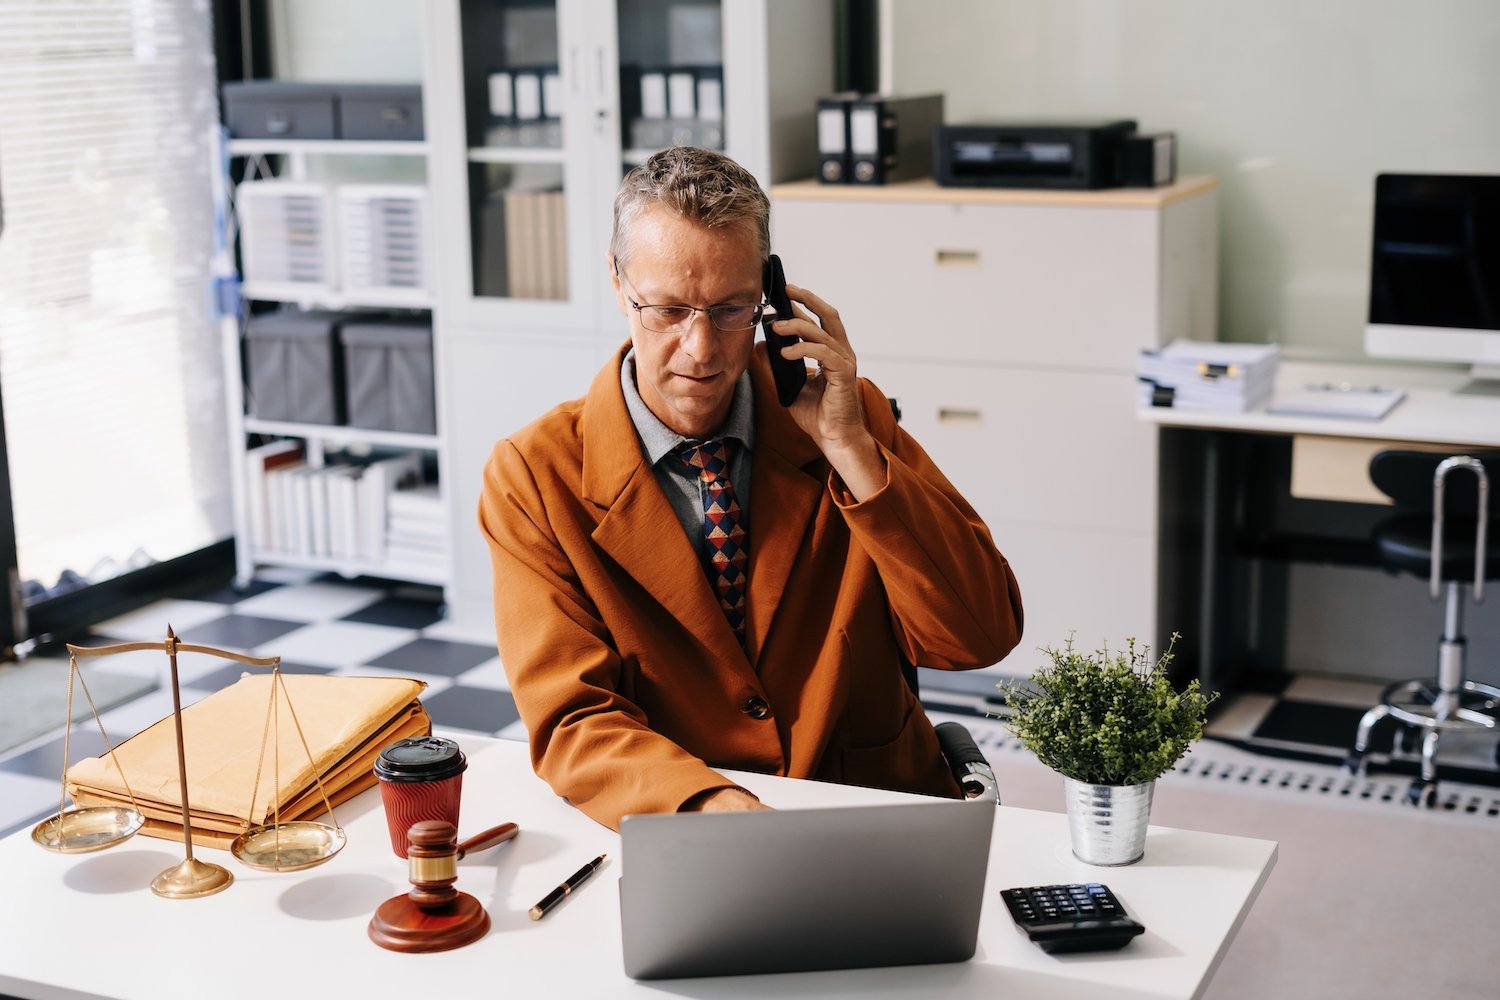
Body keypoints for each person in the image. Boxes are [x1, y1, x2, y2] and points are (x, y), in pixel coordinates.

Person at [479, 146, 1023, 830]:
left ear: (771, 295)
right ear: (618, 283)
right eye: (668, 310)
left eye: (732, 309)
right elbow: (574, 720)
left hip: (873, 816)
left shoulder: (851, 419)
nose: (702, 348)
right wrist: (719, 811)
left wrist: (851, 450)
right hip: (692, 827)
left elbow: (979, 637)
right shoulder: (533, 476)